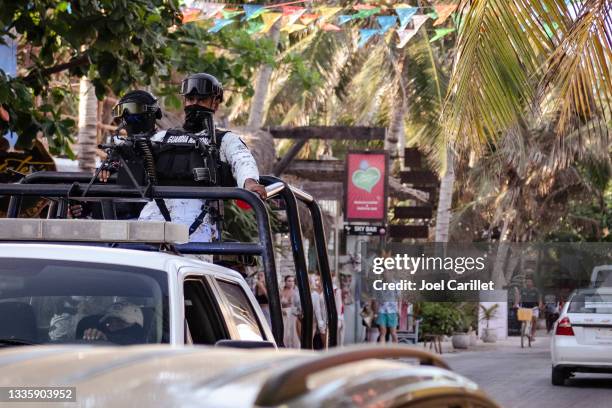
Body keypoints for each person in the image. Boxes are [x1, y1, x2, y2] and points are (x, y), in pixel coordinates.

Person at [81, 302, 145, 345]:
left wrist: (106, 338)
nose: (112, 328)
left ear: (136, 327)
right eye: (108, 322)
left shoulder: (147, 353)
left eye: (121, 322)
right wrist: (92, 336)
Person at [514, 275, 543, 341]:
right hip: (525, 308)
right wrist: (516, 304)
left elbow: (539, 299)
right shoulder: (523, 290)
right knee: (524, 320)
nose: (528, 283)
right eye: (527, 282)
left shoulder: (536, 290)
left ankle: (532, 335)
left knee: (534, 320)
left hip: (534, 308)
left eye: (530, 282)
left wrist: (540, 305)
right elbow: (518, 297)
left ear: (532, 283)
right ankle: (524, 329)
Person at [281, 275, 301, 348]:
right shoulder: (281, 291)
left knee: (293, 332)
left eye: (292, 281)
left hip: (292, 314)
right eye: (289, 281)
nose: (291, 282)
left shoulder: (296, 292)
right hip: (283, 314)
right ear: (285, 282)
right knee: (284, 332)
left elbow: (298, 306)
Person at [310, 274, 327, 349]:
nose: (317, 282)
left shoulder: (327, 291)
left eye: (318, 280)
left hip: (324, 314)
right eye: (315, 280)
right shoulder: (314, 292)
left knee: (323, 332)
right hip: (315, 316)